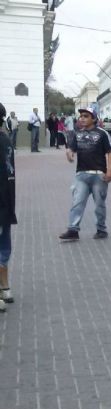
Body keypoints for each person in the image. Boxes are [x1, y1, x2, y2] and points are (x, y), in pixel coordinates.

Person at [58, 109, 111, 241]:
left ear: (93, 119)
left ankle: (101, 229)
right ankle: (73, 230)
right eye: (81, 116)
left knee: (99, 204)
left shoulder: (102, 134)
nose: (82, 118)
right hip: (81, 175)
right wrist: (69, 152)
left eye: (86, 116)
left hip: (99, 175)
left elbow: (110, 152)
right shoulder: (76, 134)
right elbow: (71, 148)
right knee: (77, 202)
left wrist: (110, 171)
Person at [0, 103, 16, 312]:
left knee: (3, 247)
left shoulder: (4, 141)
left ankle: (4, 286)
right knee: (3, 247)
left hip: (3, 201)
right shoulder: (5, 140)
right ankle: (4, 287)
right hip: (5, 202)